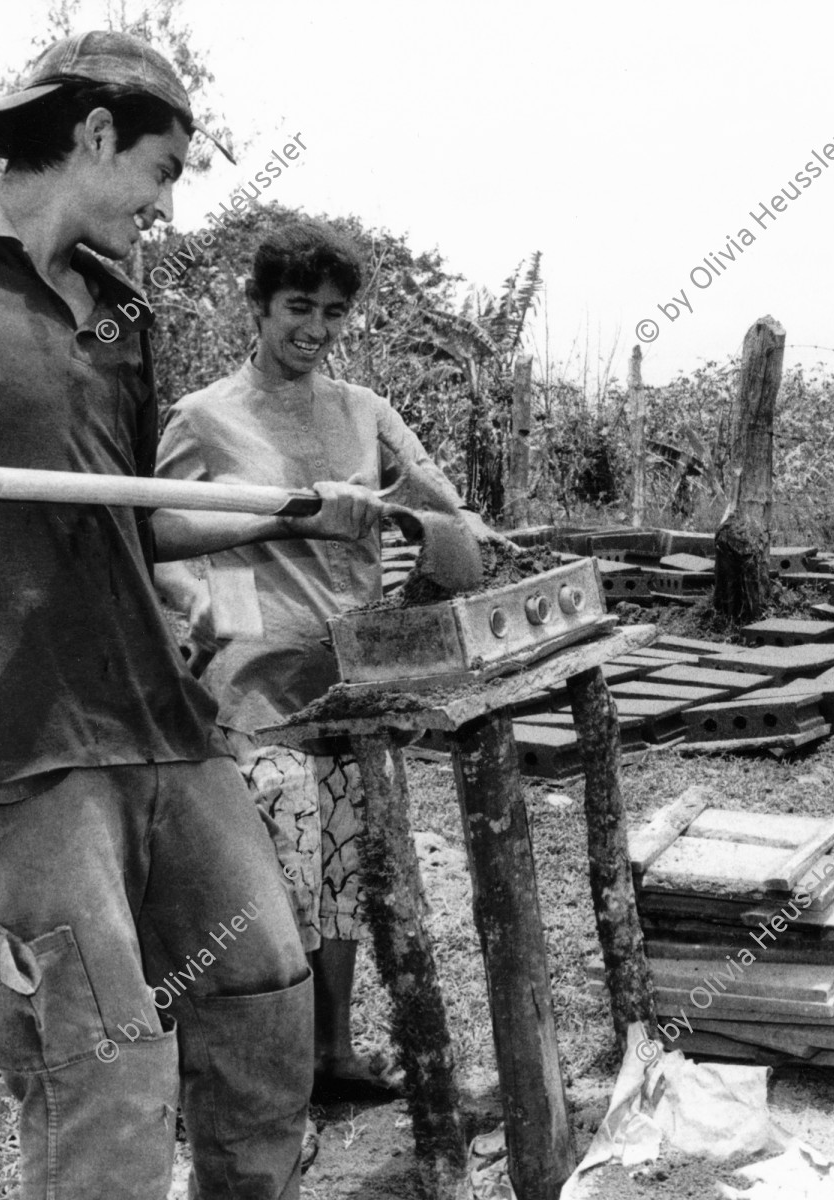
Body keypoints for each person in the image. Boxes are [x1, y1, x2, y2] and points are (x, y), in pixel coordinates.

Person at [0, 30, 388, 1199]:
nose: (167, 204)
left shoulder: (117, 312)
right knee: (106, 1064)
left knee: (263, 1000)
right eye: (165, 169)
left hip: (160, 717)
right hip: (19, 740)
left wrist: (297, 514)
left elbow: (134, 514)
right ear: (95, 135)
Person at [154, 219, 484, 1104]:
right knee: (274, 880)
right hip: (257, 686)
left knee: (346, 869)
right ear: (256, 306)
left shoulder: (365, 411)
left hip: (353, 677)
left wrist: (430, 510)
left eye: (335, 313)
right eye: (299, 307)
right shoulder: (204, 419)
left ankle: (331, 1053)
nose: (317, 328)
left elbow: (449, 520)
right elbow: (155, 533)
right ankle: (264, 1072)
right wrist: (200, 601)